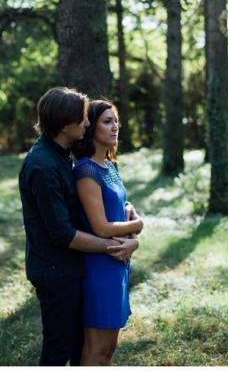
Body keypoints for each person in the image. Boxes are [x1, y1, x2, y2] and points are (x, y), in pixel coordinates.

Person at [19, 87, 139, 366]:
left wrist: (128, 224)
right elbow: (62, 233)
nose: (87, 123)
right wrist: (116, 247)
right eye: (82, 118)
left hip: (72, 267)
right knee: (58, 352)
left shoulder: (61, 155)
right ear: (64, 124)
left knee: (77, 349)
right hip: (55, 271)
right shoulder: (43, 165)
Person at [71, 99, 143, 366]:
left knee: (109, 350)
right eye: (107, 121)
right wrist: (138, 226)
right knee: (96, 350)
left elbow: (120, 208)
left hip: (118, 266)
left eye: (116, 122)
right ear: (91, 127)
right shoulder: (86, 170)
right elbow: (101, 227)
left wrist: (133, 242)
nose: (115, 128)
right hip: (99, 269)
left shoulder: (109, 166)